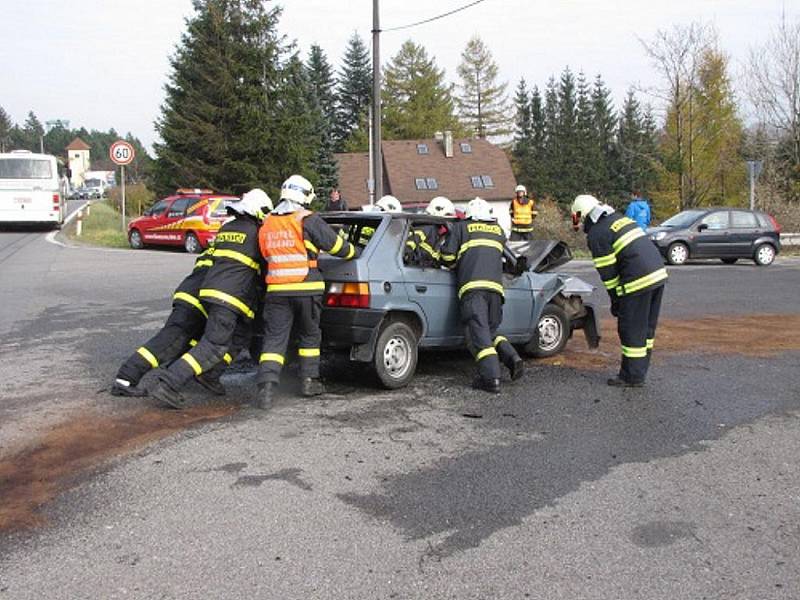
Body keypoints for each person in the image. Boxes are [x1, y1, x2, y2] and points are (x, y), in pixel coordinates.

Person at [149, 188, 273, 408]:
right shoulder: (257, 233)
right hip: (230, 296)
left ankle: (211, 374)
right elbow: (265, 266)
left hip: (211, 291)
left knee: (239, 338)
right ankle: (169, 383)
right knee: (213, 345)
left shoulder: (227, 227)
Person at [256, 175, 359, 408]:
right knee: (309, 336)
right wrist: (356, 252)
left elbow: (264, 254)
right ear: (304, 196)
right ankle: (308, 381)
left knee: (274, 339)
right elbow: (337, 247)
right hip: (306, 288)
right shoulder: (307, 219)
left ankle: (267, 388)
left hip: (277, 291)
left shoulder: (268, 222)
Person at [571, 194, 667, 387]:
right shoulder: (619, 219)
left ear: (582, 215)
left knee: (631, 328)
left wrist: (616, 300)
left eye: (577, 219)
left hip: (637, 280)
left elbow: (609, 274)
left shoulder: (598, 234)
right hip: (657, 275)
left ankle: (631, 377)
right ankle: (639, 371)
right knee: (645, 328)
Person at [440, 197, 524, 393]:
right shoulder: (498, 231)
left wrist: (455, 261)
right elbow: (510, 259)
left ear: (469, 214)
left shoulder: (461, 228)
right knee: (489, 330)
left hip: (473, 290)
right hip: (496, 292)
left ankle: (490, 378)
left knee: (479, 335)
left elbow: (448, 257)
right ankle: (512, 357)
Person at [111, 246, 219, 397]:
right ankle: (125, 379)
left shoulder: (214, 248)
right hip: (197, 300)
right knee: (167, 341)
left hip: (188, 292)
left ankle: (172, 370)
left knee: (189, 339)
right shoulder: (233, 249)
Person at [405, 196, 455, 267]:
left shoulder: (434, 230)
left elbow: (433, 254)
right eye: (447, 215)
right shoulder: (427, 228)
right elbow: (408, 247)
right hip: (417, 270)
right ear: (439, 211)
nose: (448, 219)